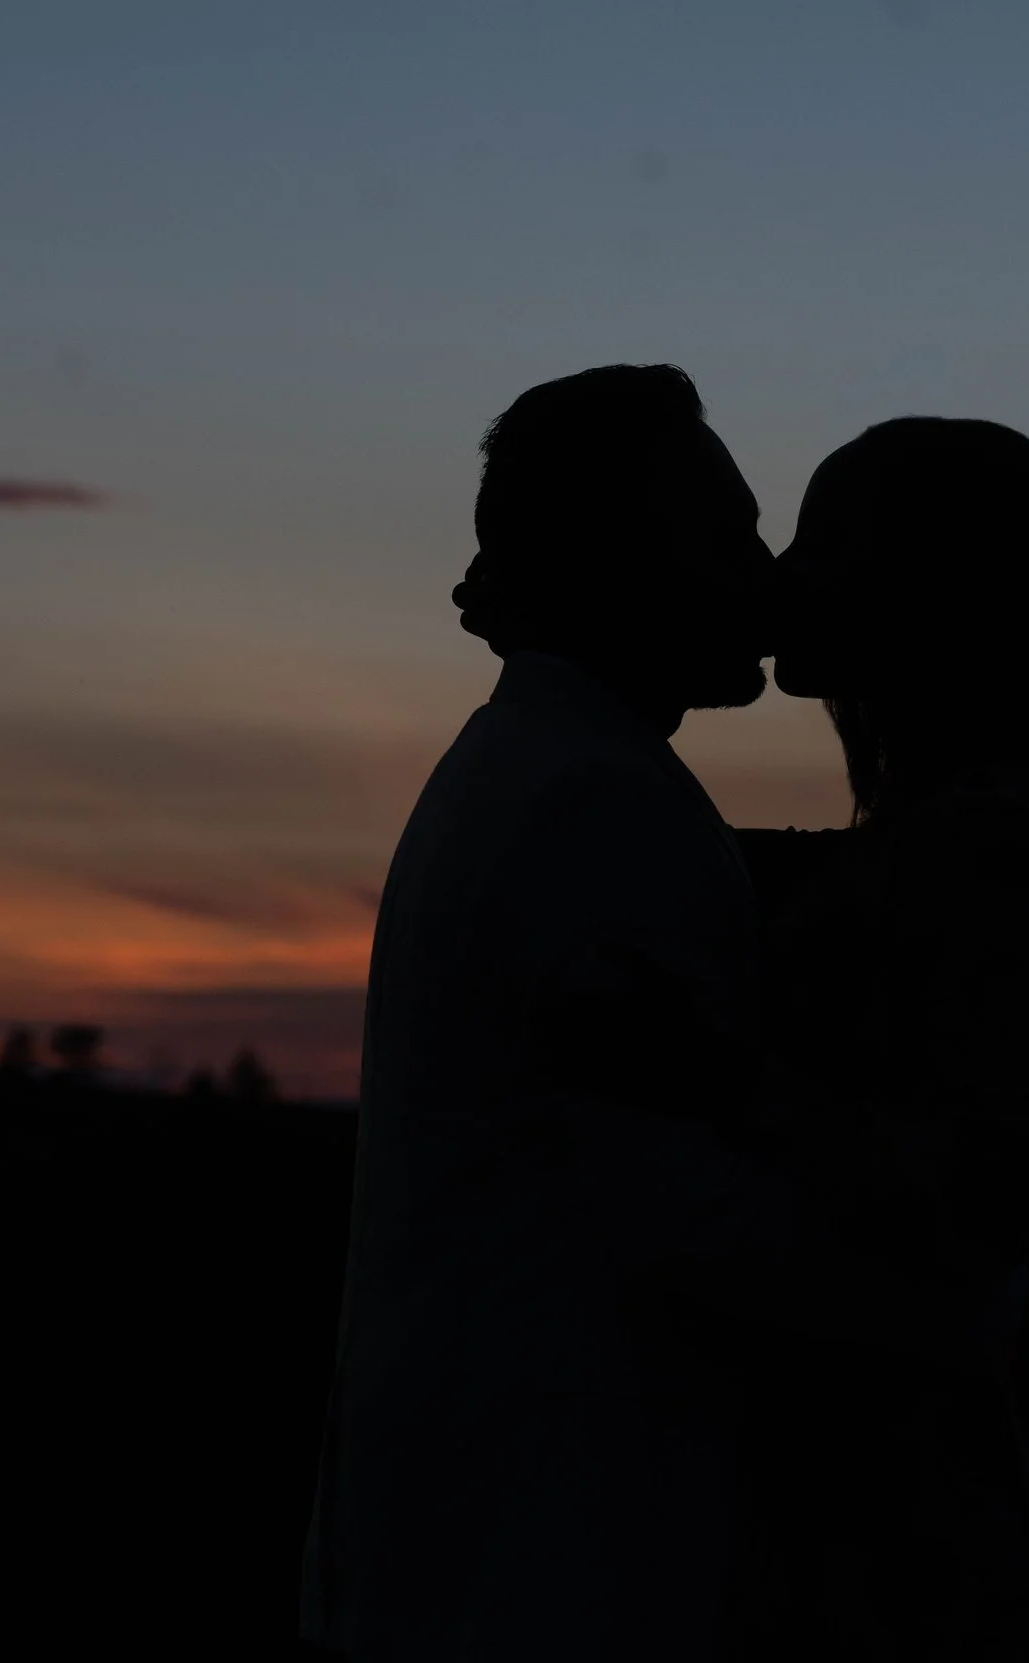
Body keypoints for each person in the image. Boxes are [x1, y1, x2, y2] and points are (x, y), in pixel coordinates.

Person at [301, 365, 792, 1661]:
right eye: (731, 534)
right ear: (628, 557)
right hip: (550, 1561)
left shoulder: (528, 768)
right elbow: (701, 1214)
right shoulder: (601, 804)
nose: (766, 572)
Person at [729, 418, 1029, 1661]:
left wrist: (699, 1070)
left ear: (926, 588)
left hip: (889, 1527)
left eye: (819, 543)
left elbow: (957, 1195)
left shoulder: (988, 855)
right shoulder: (952, 843)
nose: (780, 571)